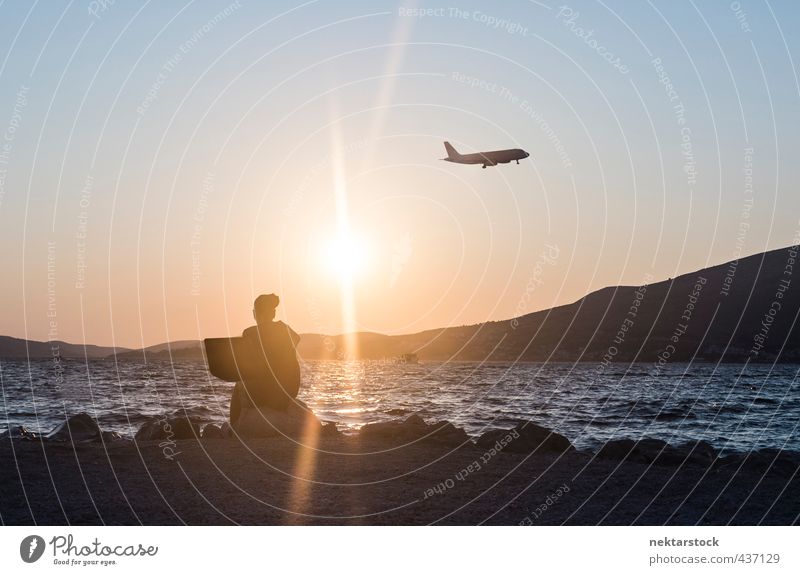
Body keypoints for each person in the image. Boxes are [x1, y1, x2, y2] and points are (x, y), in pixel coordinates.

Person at [229, 293, 301, 425]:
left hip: (262, 395)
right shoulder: (286, 330)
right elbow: (296, 339)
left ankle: (234, 425)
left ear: (254, 313)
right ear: (273, 313)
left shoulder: (249, 333)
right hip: (288, 393)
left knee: (239, 383)